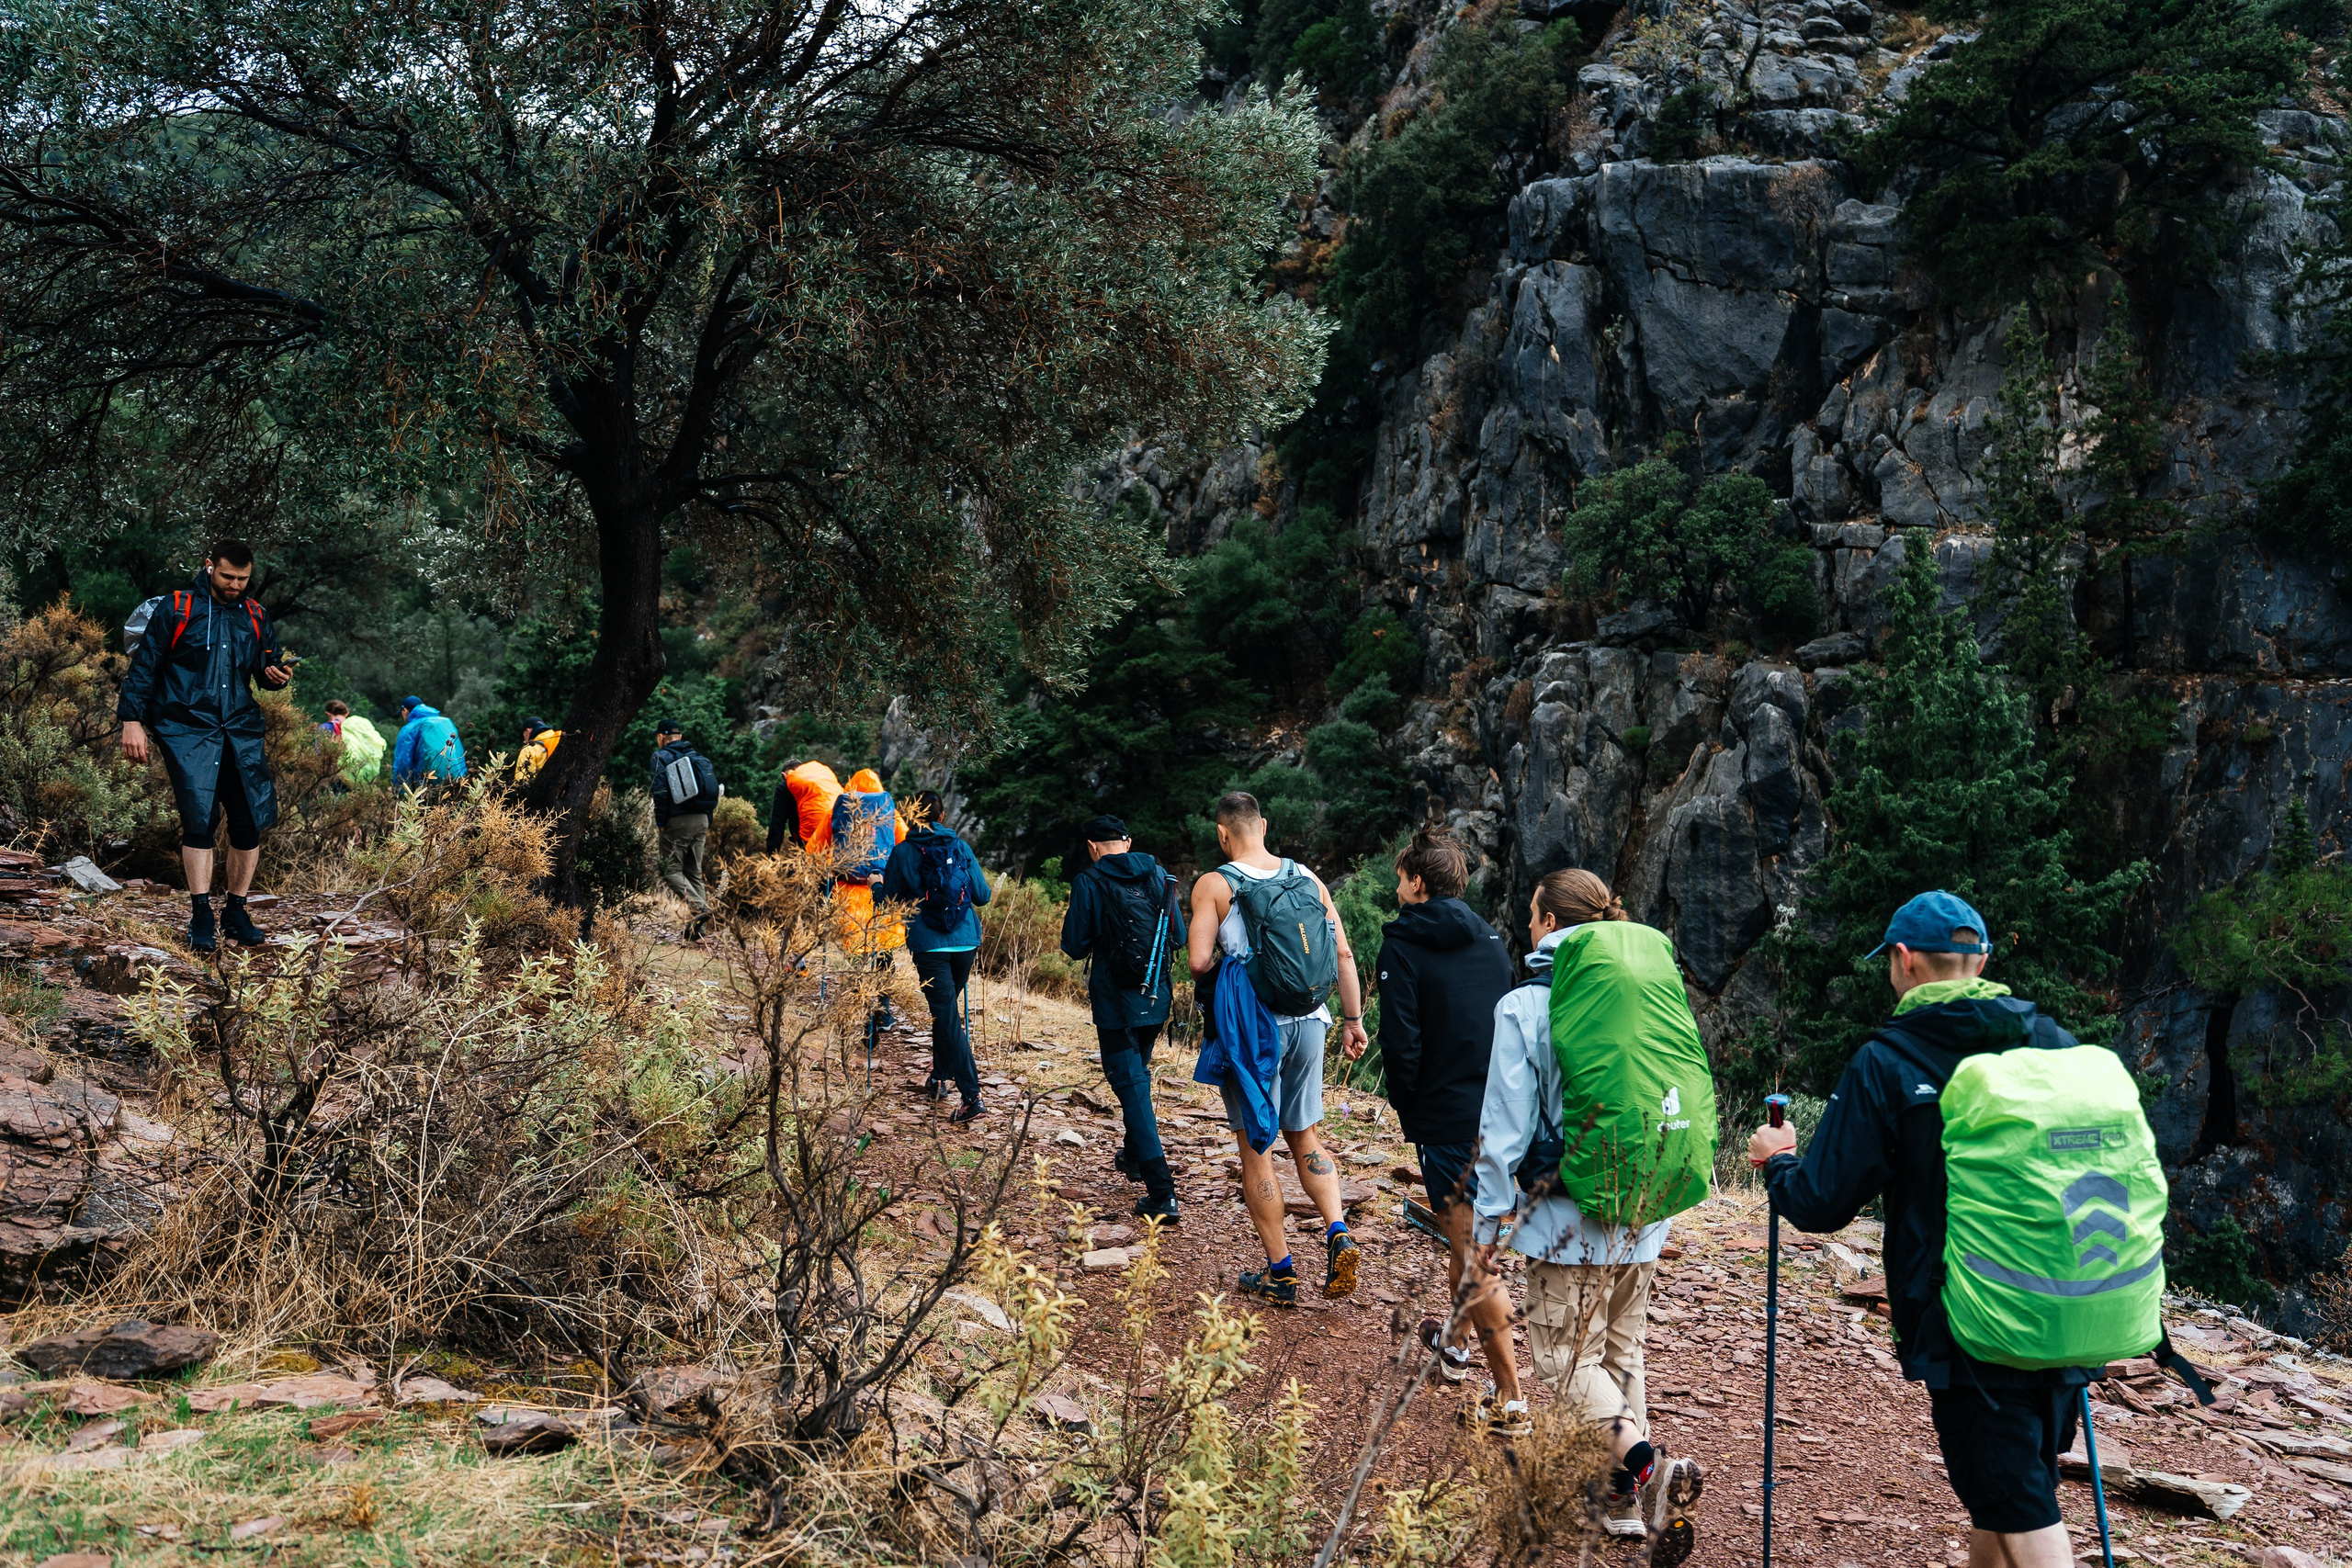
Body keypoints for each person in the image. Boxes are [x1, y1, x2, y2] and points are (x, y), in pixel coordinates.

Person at [1749, 891, 2091, 1568]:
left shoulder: (1889, 1061)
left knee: (2019, 1501)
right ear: (1985, 958)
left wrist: (1778, 1161)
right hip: (2068, 1305)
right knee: (2011, 1489)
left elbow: (1821, 1202)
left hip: (1970, 1318)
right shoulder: (2054, 1042)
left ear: (1903, 961)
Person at [1471, 868, 1705, 1551]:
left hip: (1568, 1220)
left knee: (1566, 1366)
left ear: (1546, 922)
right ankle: (1621, 1501)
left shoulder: (1526, 1006)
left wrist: (1489, 1224)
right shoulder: (1647, 988)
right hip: (1644, 1207)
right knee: (1619, 1354)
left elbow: (1504, 1131)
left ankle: (1649, 1468)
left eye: (1532, 913)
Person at [1185, 790, 1367, 1306]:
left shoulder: (1216, 884)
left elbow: (1199, 962)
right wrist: (1353, 1021)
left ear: (1223, 833)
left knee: (1257, 1148)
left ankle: (1282, 1272)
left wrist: (1236, 967)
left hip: (1254, 1029)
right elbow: (1343, 952)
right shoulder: (1306, 877)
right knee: (1304, 1134)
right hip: (1312, 1021)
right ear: (1262, 825)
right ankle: (1337, 1231)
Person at [1373, 829, 1514, 1391]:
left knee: (1474, 1256)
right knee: (1471, 1235)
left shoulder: (1401, 947)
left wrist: (1414, 1113)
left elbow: (1401, 1044)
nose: (1396, 884)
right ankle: (1454, 1343)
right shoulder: (1494, 943)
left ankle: (1511, 1396)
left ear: (1418, 884)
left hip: (1446, 1118)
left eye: (1401, 876)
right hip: (1502, 1116)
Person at [117, 538, 294, 954]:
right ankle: (200, 913)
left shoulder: (254, 614)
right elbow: (145, 666)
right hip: (186, 729)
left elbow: (266, 667)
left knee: (247, 820)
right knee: (200, 819)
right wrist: (131, 720)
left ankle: (236, 909)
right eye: (228, 576)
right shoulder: (177, 607)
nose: (235, 585)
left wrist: (276, 675)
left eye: (243, 579)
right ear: (210, 566)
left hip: (240, 729)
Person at [1059, 815, 1186, 1223]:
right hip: (1156, 995)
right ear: (1127, 842)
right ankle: (1133, 1159)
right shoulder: (1160, 877)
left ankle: (1162, 1192)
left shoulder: (1089, 881)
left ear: (1093, 846)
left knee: (1131, 1088)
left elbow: (1075, 946)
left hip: (1115, 1002)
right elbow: (1179, 937)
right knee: (1137, 1079)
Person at [879, 791, 993, 1122]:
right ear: (942, 817)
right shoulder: (960, 847)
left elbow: (886, 903)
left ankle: (972, 1098)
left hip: (929, 946)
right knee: (944, 1015)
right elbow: (982, 896)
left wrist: (875, 884)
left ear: (912, 818)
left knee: (946, 1018)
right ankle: (940, 1078)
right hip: (965, 942)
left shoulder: (902, 852)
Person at [650, 719, 722, 940]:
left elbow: (660, 791)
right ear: (680, 736)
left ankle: (700, 908)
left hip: (677, 820)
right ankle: (695, 930)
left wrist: (660, 821)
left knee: (669, 870)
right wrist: (706, 820)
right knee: (693, 873)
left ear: (661, 737)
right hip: (702, 819)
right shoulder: (699, 758)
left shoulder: (660, 756)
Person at [770, 759, 842, 856]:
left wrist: (771, 857)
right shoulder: (824, 780)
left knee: (804, 868)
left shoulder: (785, 786)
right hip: (839, 827)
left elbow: (777, 823)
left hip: (811, 836)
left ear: (784, 775)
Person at [391, 695, 467, 786]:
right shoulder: (446, 722)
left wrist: (399, 789)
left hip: (428, 782)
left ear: (405, 711)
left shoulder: (410, 728)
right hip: (457, 779)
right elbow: (458, 751)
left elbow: (403, 761)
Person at [515, 717, 561, 783]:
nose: (524, 740)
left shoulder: (529, 749)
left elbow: (521, 779)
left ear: (527, 731)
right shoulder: (560, 739)